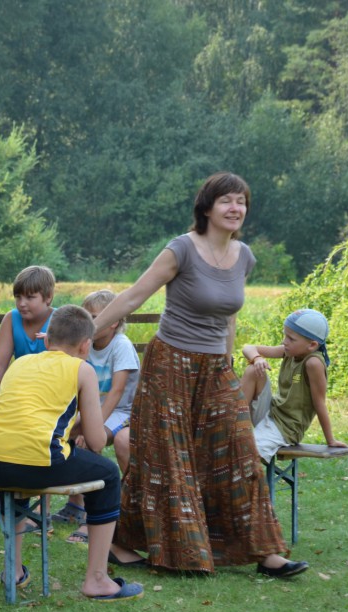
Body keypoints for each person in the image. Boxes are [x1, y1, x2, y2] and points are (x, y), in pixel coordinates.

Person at [92, 171, 308, 577]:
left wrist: (226, 362)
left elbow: (229, 318)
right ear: (207, 208)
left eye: (241, 201)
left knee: (240, 449)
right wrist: (86, 333)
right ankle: (135, 544)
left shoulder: (243, 256)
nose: (235, 208)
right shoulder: (181, 250)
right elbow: (135, 295)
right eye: (226, 200)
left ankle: (266, 553)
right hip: (170, 364)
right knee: (166, 458)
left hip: (215, 368)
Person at [0, 305, 144, 601]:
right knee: (108, 474)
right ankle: (97, 579)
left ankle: (12, 571)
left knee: (17, 470)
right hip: (36, 459)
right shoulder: (82, 369)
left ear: (47, 340)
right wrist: (81, 428)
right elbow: (96, 439)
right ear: (85, 345)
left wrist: (69, 428)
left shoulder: (20, 364)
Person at [0, 265, 56, 522]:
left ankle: (42, 505)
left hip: (50, 396)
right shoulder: (11, 318)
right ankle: (2, 491)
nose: (22, 303)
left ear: (48, 297)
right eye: (18, 297)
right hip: (17, 393)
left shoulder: (60, 320)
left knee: (43, 436)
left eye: (30, 297)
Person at [59, 289, 140, 545]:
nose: (89, 324)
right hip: (94, 409)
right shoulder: (88, 344)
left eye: (94, 317)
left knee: (94, 442)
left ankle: (94, 518)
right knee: (64, 433)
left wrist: (93, 427)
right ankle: (75, 503)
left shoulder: (121, 346)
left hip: (122, 411)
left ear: (113, 320)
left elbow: (116, 392)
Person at [240, 308, 348, 462]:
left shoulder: (313, 363)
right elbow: (248, 348)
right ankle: (230, 422)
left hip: (286, 428)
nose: (284, 341)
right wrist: (257, 358)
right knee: (253, 370)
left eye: (291, 338)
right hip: (271, 412)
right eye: (285, 335)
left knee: (245, 453)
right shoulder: (289, 351)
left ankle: (246, 481)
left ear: (311, 345)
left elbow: (320, 404)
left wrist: (330, 440)